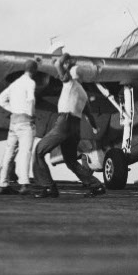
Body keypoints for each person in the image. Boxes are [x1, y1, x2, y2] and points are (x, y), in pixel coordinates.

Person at [31, 57, 105, 198]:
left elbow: (59, 64)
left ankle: (48, 187)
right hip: (76, 128)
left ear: (72, 75)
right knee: (71, 161)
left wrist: (64, 58)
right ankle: (96, 186)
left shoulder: (70, 84)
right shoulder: (83, 93)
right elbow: (89, 115)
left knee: (39, 151)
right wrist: (95, 128)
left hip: (64, 123)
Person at [0, 60, 38, 195]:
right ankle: (24, 183)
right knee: (25, 152)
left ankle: (3, 183)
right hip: (25, 122)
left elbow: (1, 99)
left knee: (9, 152)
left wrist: (13, 109)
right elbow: (31, 100)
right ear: (35, 70)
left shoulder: (14, 84)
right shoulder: (30, 83)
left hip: (13, 122)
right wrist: (31, 115)